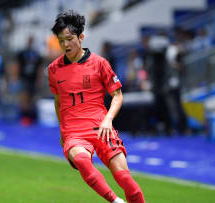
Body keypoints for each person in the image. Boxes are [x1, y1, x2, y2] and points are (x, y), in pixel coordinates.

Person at [48, 10, 145, 203]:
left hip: (101, 127)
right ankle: (115, 201)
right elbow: (58, 101)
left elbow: (117, 95)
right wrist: (62, 132)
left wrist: (108, 120)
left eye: (69, 39)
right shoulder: (53, 70)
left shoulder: (100, 63)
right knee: (82, 160)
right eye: (61, 40)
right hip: (74, 132)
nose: (65, 45)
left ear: (81, 37)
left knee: (125, 178)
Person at [16, 36, 43, 125]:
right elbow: (18, 65)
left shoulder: (36, 54)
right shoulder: (23, 53)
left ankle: (29, 117)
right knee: (24, 97)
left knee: (31, 98)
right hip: (24, 78)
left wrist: (39, 79)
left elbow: (39, 67)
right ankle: (23, 116)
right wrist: (15, 76)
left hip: (32, 79)